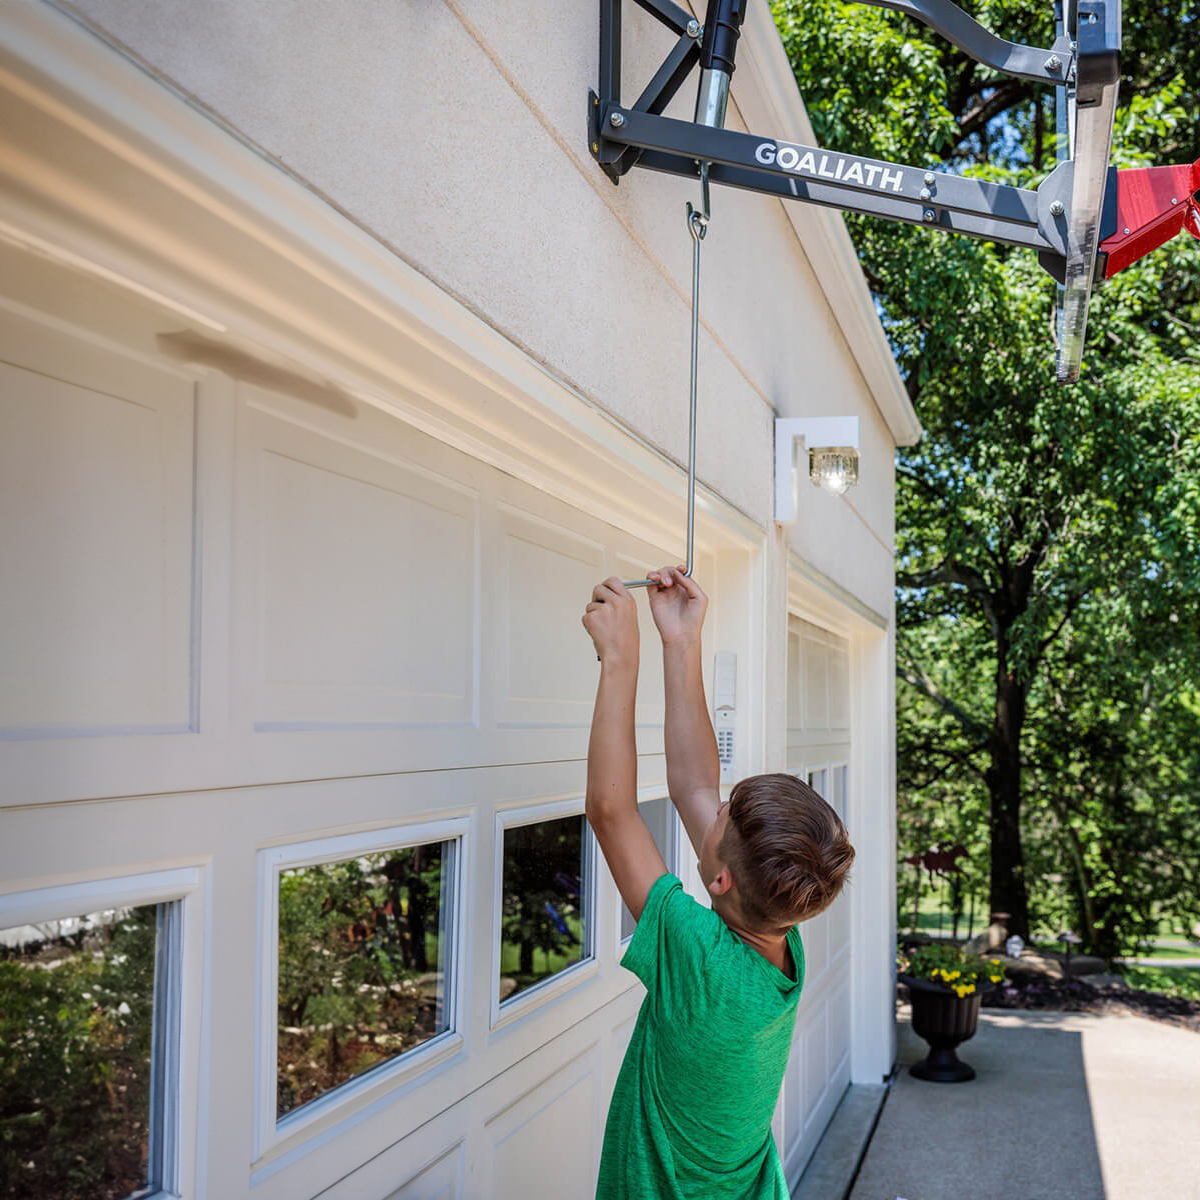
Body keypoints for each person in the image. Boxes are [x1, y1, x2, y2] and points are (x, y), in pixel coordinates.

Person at [581, 566, 855, 1200]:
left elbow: (611, 811)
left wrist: (620, 658)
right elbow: (695, 784)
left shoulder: (700, 962)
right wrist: (681, 640)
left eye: (722, 816)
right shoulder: (781, 940)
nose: (715, 804)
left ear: (724, 877)